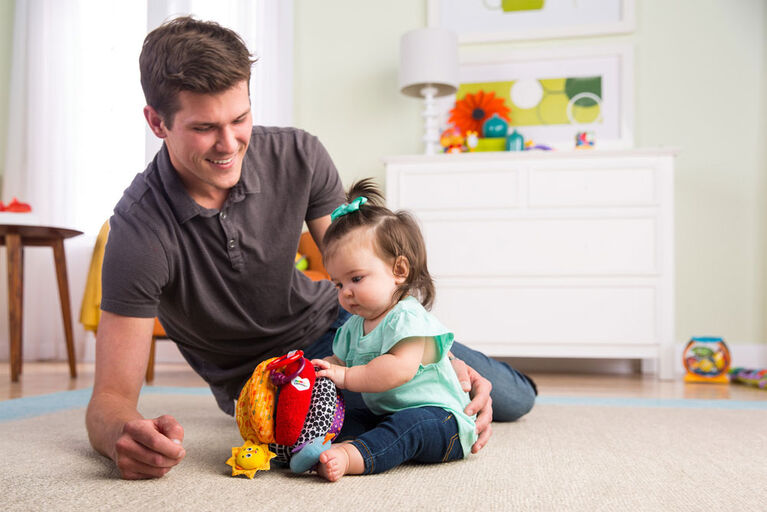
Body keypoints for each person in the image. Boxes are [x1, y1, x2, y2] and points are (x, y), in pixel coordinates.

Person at [85, 16, 537, 481]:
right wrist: (124, 433)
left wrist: (430, 352)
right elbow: (110, 398)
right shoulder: (138, 228)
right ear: (157, 122)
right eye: (204, 128)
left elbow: (364, 264)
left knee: (509, 398)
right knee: (394, 417)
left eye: (240, 119)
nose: (229, 144)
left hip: (348, 326)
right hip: (267, 380)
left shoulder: (298, 155)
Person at [310, 179, 477, 481]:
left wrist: (346, 376)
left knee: (410, 426)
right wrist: (319, 369)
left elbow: (397, 369)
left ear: (399, 270)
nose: (345, 292)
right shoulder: (353, 326)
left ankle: (353, 456)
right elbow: (340, 362)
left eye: (356, 279)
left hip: (442, 419)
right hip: (386, 412)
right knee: (348, 417)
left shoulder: (407, 317)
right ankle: (321, 447)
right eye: (338, 284)